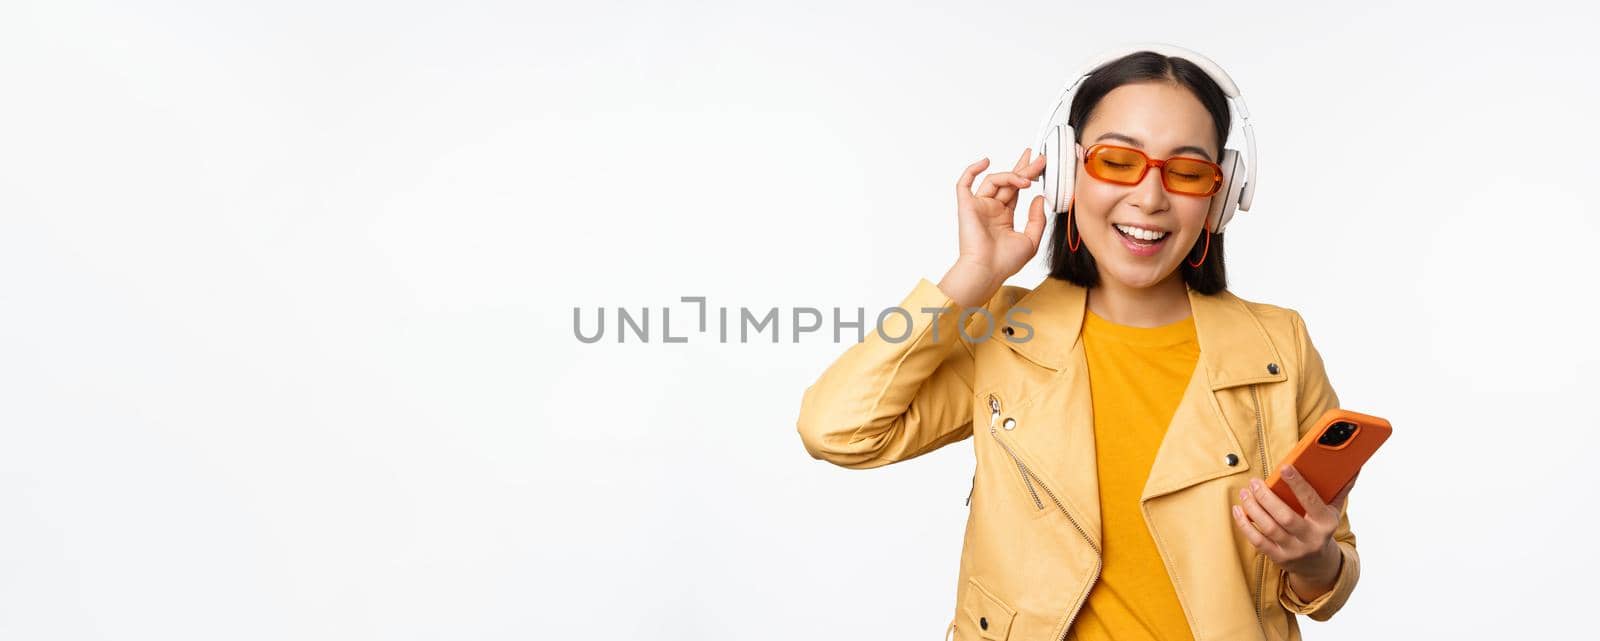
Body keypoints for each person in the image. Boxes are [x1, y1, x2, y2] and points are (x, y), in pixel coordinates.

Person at [795, 48, 1361, 641]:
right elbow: (836, 429)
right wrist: (971, 277)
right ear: (1068, 172)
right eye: (1117, 161)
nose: (1149, 198)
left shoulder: (1279, 345)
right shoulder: (1006, 332)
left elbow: (1328, 576)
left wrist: (1311, 558)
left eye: (1188, 173)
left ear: (1219, 197)